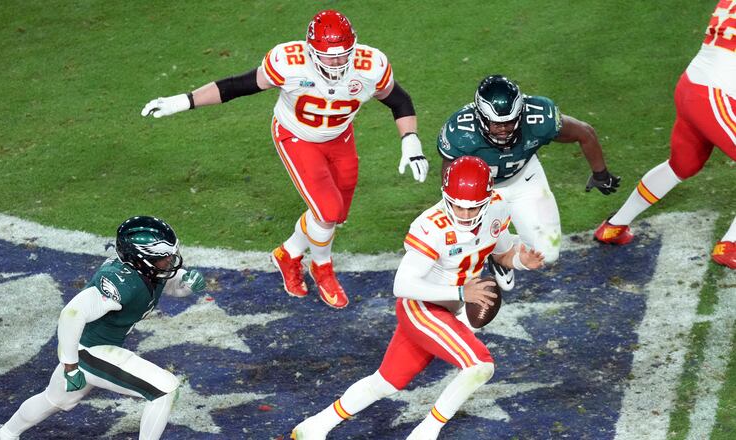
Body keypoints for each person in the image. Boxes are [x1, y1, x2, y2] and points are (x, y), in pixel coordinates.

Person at [140, 10, 429, 309]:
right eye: (328, 56)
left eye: (344, 55)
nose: (337, 62)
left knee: (334, 216)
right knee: (327, 212)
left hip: (340, 137)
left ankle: (288, 253)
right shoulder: (289, 63)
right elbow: (236, 86)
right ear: (310, 51)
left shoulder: (371, 67)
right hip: (296, 137)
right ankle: (323, 269)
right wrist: (183, 101)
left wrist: (411, 141)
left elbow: (399, 100)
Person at [290, 156, 544, 440]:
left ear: (487, 199)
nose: (462, 213)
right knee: (480, 365)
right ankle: (426, 433)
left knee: (386, 382)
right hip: (421, 308)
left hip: (446, 310)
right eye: (456, 204)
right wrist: (462, 292)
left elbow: (503, 251)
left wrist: (521, 260)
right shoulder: (431, 226)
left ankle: (314, 426)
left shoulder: (496, 208)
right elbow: (403, 285)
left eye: (471, 207)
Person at [0, 216, 207, 440]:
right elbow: (71, 314)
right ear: (141, 259)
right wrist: (70, 365)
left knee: (55, 399)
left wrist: (187, 284)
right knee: (165, 389)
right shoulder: (119, 282)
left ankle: (2, 436)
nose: (170, 261)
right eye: (163, 257)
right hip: (87, 351)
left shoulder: (145, 269)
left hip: (94, 347)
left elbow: (172, 286)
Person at [436, 74, 620, 291]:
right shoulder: (460, 132)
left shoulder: (539, 116)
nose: (504, 129)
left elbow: (584, 132)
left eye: (510, 122)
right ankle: (499, 254)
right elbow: (451, 177)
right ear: (480, 117)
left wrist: (601, 174)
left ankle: (500, 252)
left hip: (525, 177)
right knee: (462, 245)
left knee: (547, 254)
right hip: (483, 190)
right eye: (496, 123)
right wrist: (464, 212)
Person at [594, 0, 736, 269]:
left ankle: (614, 226)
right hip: (716, 94)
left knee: (682, 165)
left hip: (692, 87)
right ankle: (731, 246)